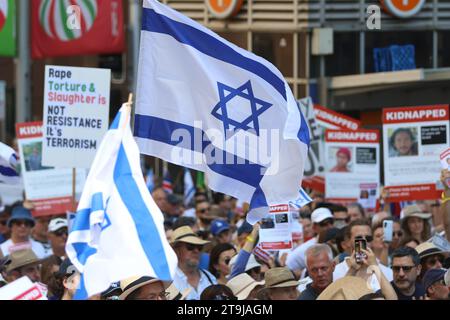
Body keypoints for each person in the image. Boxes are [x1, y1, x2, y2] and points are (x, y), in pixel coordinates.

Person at [333, 219, 393, 290]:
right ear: (348, 242)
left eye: (368, 238)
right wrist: (352, 270)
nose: (364, 242)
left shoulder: (387, 272)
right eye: (359, 238)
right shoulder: (336, 272)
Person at [170, 226, 217, 300]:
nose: (196, 251)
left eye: (199, 248)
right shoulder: (168, 281)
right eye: (190, 247)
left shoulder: (209, 277)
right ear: (176, 251)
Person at [286, 207, 334, 277]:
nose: (330, 226)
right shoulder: (306, 248)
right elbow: (287, 267)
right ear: (314, 227)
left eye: (331, 222)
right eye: (324, 224)